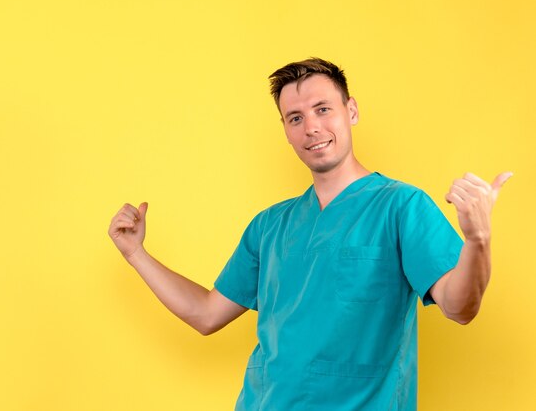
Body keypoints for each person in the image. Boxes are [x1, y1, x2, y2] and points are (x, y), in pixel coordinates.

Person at [107, 57, 512, 410]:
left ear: (351, 110)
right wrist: (136, 254)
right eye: (296, 118)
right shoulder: (269, 226)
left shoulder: (401, 207)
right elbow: (206, 314)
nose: (312, 128)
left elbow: (461, 308)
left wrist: (478, 241)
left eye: (323, 109)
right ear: (284, 129)